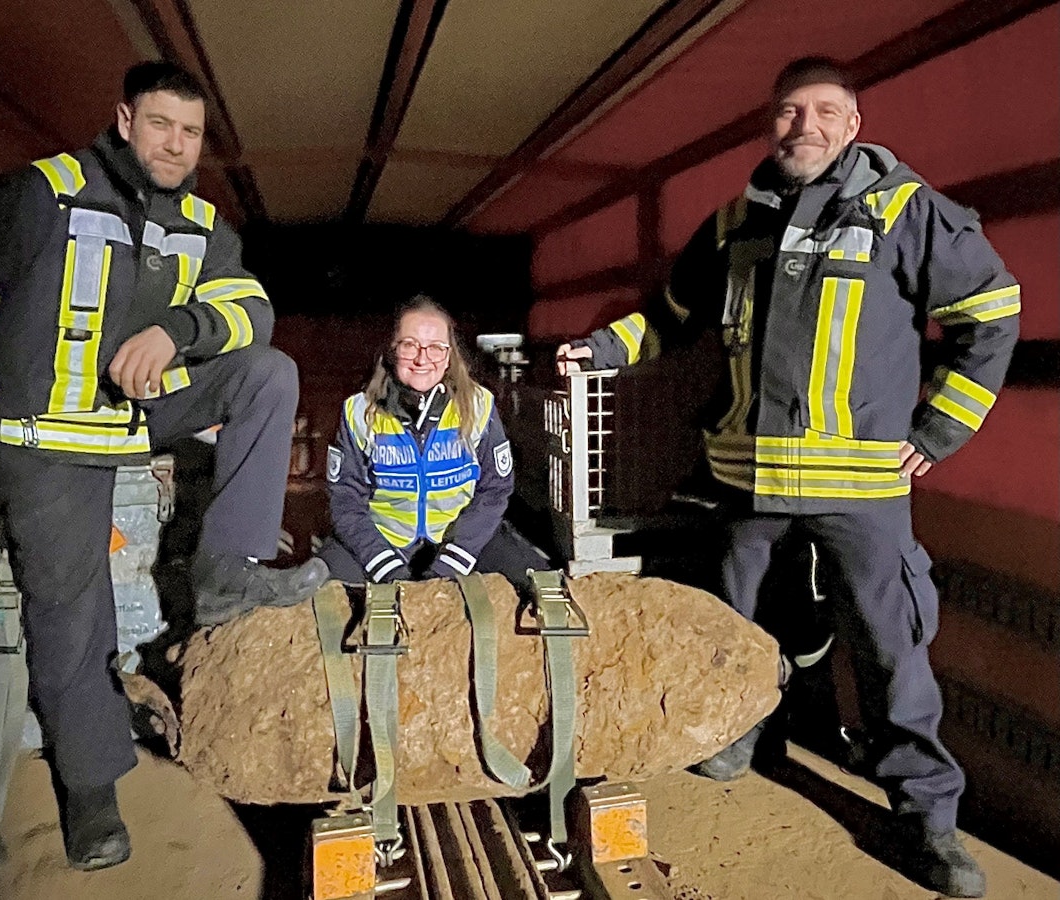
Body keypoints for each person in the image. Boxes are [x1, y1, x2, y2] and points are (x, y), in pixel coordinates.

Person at [555, 57, 1018, 898]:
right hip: (748, 484)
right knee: (738, 631)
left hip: (861, 491)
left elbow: (990, 310)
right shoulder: (737, 220)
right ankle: (743, 735)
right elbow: (670, 316)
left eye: (824, 111)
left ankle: (927, 824)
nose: (803, 126)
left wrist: (942, 426)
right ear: (770, 125)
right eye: (787, 112)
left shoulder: (903, 211)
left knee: (890, 653)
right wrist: (604, 349)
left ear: (853, 124)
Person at [0, 61, 328, 870]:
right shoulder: (36, 196)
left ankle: (226, 570)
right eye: (162, 124)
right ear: (125, 119)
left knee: (267, 371)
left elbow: (254, 309)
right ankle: (93, 794)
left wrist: (180, 328)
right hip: (40, 440)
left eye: (192, 132)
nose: (176, 144)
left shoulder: (201, 222)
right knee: (71, 616)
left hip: (134, 419)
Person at [318, 296, 548, 590]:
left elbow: (495, 490)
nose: (422, 359)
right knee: (317, 593)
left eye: (436, 348)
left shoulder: (478, 405)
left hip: (461, 543)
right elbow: (345, 500)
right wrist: (386, 566)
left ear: (449, 355)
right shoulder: (359, 412)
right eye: (410, 345)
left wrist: (453, 561)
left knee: (545, 586)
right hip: (382, 543)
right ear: (391, 350)